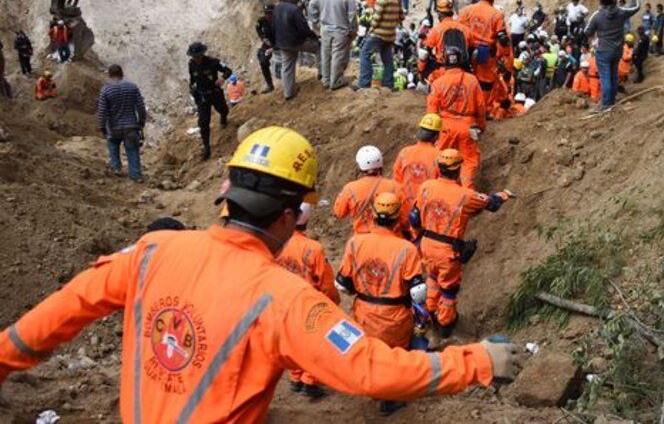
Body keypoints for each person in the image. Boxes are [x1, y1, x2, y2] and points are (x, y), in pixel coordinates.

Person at [0, 126, 517, 420]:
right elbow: (372, 370)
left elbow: (58, 315)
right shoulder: (285, 299)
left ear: (225, 193)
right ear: (291, 216)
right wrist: (477, 362)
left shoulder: (153, 252)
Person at [336, 192, 427, 415]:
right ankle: (389, 397)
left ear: (373, 215)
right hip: (395, 316)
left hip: (364, 313)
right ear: (398, 218)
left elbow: (341, 284)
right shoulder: (406, 249)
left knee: (369, 351)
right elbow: (418, 292)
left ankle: (367, 383)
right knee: (394, 356)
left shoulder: (355, 243)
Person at [412, 149, 510, 337]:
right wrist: (503, 195)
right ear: (457, 170)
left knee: (432, 278)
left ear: (439, 168)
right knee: (449, 288)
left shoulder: (426, 186)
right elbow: (492, 204)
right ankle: (446, 324)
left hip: (426, 243)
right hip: (447, 250)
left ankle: (431, 311)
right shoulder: (466, 195)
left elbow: (414, 218)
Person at [277, 200, 340, 399]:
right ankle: (310, 381)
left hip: (282, 302)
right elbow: (326, 283)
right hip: (308, 304)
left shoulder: (276, 243)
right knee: (313, 342)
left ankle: (295, 376)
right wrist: (332, 303)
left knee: (291, 340)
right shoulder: (313, 249)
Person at [426, 46, 486, 188]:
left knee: (441, 158)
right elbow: (481, 107)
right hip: (468, 126)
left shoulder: (438, 83)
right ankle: (465, 195)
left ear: (444, 61)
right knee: (468, 161)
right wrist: (481, 126)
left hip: (445, 126)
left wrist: (431, 133)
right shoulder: (472, 80)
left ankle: (439, 190)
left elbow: (432, 111)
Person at [583, 0, 641, 111]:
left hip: (603, 50)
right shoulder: (621, 12)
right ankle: (612, 100)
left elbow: (587, 31)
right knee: (613, 74)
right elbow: (636, 6)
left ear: (601, 1)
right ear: (614, 0)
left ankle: (605, 104)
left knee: (605, 77)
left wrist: (597, 34)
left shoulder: (597, 15)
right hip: (618, 49)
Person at [334, 145, 406, 235]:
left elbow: (339, 213)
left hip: (363, 239)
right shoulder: (396, 187)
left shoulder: (350, 189)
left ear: (360, 166)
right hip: (392, 238)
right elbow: (405, 218)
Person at [392, 114, 442, 239]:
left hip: (404, 207)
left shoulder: (404, 152)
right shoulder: (440, 156)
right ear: (436, 136)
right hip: (426, 209)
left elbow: (396, 181)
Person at [459, 0, 510, 102]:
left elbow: (459, 31)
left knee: (466, 80)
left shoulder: (466, 10)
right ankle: (482, 110)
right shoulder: (497, 15)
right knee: (485, 84)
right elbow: (502, 39)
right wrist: (503, 56)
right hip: (486, 54)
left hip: (468, 51)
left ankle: (466, 106)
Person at [96, 64, 147, 182]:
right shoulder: (132, 87)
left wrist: (102, 127)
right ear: (122, 73)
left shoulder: (106, 89)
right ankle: (136, 174)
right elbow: (140, 106)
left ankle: (116, 168)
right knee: (132, 149)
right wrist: (141, 122)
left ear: (109, 74)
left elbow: (102, 110)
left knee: (113, 144)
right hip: (131, 125)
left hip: (114, 127)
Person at [356, 0, 404, 90]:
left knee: (364, 54)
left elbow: (376, 18)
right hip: (390, 34)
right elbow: (401, 16)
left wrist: (371, 29)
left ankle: (364, 84)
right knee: (387, 60)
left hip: (379, 34)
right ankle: (388, 84)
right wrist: (392, 24)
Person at [313, 0, 358, 91]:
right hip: (341, 31)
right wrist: (353, 30)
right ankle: (336, 81)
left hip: (325, 29)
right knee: (338, 56)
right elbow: (352, 16)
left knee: (326, 54)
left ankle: (326, 80)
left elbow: (312, 7)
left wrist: (316, 24)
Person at [274, 0, 320, 101]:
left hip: (283, 43)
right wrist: (314, 36)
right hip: (296, 42)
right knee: (319, 48)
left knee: (287, 67)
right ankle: (323, 75)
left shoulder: (277, 7)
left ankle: (288, 94)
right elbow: (303, 29)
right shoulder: (294, 9)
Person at [187, 42, 231, 160]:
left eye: (198, 56)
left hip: (215, 93)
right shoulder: (191, 64)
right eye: (194, 56)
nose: (196, 59)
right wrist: (192, 89)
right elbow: (192, 79)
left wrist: (222, 78)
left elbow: (228, 70)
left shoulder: (213, 62)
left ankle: (223, 117)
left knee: (223, 110)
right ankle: (206, 148)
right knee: (203, 122)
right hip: (202, 97)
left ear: (202, 54)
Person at [255, 4, 277, 93]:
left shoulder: (279, 21)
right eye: (266, 13)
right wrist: (263, 38)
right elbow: (258, 28)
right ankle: (269, 85)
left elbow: (284, 37)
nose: (268, 15)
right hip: (269, 44)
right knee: (262, 60)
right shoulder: (262, 20)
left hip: (280, 43)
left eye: (270, 13)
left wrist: (274, 48)